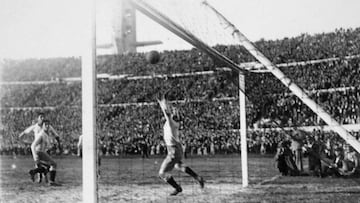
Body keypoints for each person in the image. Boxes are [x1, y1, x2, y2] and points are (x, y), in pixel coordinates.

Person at [157, 95, 204, 196]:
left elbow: (167, 114)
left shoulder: (171, 123)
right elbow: (167, 114)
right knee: (179, 165)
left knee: (162, 173)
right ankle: (198, 178)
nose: (173, 112)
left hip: (173, 150)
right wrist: (162, 103)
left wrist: (163, 103)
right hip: (176, 149)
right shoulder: (173, 123)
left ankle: (177, 188)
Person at [19, 112, 61, 183]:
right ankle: (40, 178)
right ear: (37, 119)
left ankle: (43, 177)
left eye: (43, 117)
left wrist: (58, 142)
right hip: (37, 148)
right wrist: (21, 135)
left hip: (44, 148)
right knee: (43, 165)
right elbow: (27, 131)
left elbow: (55, 134)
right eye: (41, 117)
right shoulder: (35, 127)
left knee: (44, 166)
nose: (42, 118)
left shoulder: (47, 126)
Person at [29, 120, 60, 186]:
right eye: (45, 125)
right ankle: (51, 181)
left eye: (48, 125)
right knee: (53, 164)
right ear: (42, 126)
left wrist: (53, 147)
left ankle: (34, 171)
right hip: (39, 152)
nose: (47, 126)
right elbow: (33, 145)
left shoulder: (45, 134)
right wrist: (36, 157)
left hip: (41, 152)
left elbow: (45, 146)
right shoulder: (41, 135)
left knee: (47, 167)